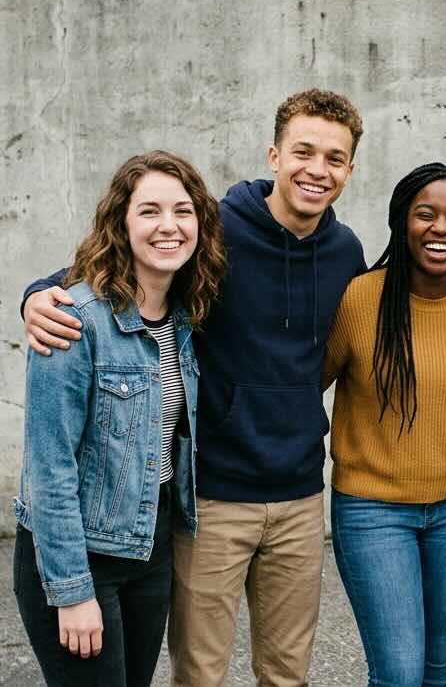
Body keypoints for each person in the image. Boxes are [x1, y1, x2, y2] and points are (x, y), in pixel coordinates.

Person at [21, 89, 367, 686]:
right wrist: (35, 293)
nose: (318, 169)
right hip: (211, 496)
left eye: (334, 158)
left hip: (300, 494)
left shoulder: (346, 251)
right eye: (303, 151)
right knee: (198, 674)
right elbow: (113, 267)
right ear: (274, 155)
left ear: (350, 169)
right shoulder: (215, 229)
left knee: (288, 673)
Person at [13, 151, 227, 686]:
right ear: (121, 223)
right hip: (81, 556)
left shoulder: (183, 320)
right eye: (149, 211)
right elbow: (49, 467)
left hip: (149, 548)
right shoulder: (74, 320)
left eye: (183, 211)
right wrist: (72, 591)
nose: (169, 226)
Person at [322, 163, 446, 686]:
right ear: (402, 222)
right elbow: (303, 383)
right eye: (426, 214)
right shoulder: (360, 298)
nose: (441, 228)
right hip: (373, 510)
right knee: (398, 674)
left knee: (438, 673)